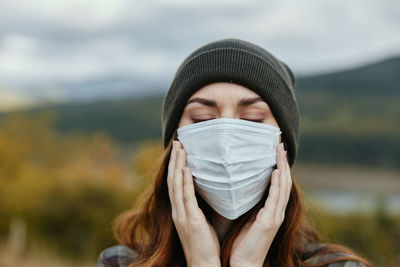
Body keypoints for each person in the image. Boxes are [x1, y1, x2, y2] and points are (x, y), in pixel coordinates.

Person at [97, 38, 371, 267]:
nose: (226, 141)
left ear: (283, 145)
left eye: (252, 118)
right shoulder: (119, 263)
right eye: (203, 118)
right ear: (175, 142)